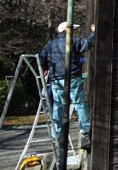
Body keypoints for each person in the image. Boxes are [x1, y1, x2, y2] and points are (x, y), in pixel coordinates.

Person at [40, 21, 96, 151]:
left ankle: (57, 136)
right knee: (79, 103)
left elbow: (42, 58)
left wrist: (44, 68)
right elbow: (87, 44)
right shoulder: (73, 41)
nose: (74, 32)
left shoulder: (50, 44)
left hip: (57, 80)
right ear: (67, 30)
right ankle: (85, 133)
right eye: (72, 30)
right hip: (73, 77)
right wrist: (94, 33)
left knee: (58, 107)